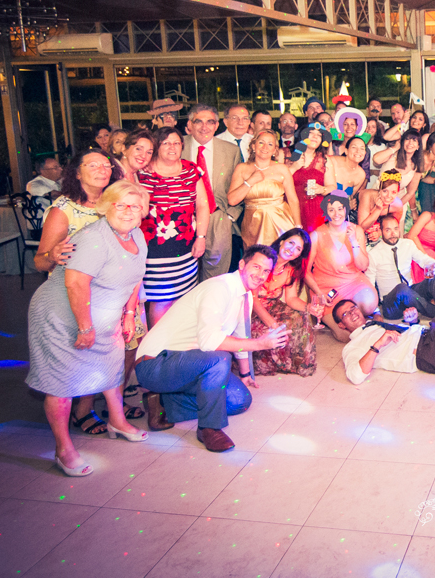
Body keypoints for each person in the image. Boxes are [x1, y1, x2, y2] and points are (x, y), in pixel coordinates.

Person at [26, 180, 152, 476]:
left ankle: (117, 421)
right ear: (106, 207)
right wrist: (85, 327)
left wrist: (129, 313)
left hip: (105, 314)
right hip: (64, 315)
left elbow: (135, 276)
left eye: (134, 205)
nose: (128, 211)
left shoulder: (137, 235)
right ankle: (63, 449)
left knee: (110, 366)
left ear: (144, 211)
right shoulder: (95, 238)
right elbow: (75, 283)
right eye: (120, 204)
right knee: (62, 382)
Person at [135, 245, 288, 452]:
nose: (260, 275)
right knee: (219, 358)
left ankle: (163, 404)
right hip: (154, 364)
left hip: (189, 363)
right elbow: (209, 342)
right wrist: (261, 343)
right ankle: (209, 428)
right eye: (256, 267)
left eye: (265, 271)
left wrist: (245, 374)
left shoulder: (246, 295)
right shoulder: (219, 288)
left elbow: (241, 333)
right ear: (242, 264)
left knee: (240, 400)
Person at [139, 127, 209, 326]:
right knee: (160, 300)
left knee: (183, 296)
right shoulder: (143, 172)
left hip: (186, 245)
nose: (172, 147)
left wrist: (201, 237)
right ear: (157, 146)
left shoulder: (191, 169)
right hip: (154, 246)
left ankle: (177, 344)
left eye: (176, 143)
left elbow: (202, 205)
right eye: (166, 143)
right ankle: (158, 347)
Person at [248, 229, 320, 377]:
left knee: (301, 317)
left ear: (300, 254)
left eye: (298, 248)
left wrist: (309, 308)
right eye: (291, 243)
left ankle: (296, 364)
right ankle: (263, 364)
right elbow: (254, 300)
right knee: (272, 331)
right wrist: (273, 324)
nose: (292, 249)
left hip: (272, 307)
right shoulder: (264, 259)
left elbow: (291, 299)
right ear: (282, 241)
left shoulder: (290, 270)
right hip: (249, 309)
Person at [184, 104, 243, 280]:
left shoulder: (230, 150)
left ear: (217, 125)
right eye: (198, 122)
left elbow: (236, 185)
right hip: (185, 221)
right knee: (184, 277)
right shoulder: (176, 146)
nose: (204, 127)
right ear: (190, 124)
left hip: (219, 219)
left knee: (216, 279)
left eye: (210, 122)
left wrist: (230, 216)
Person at [310, 190, 378, 336]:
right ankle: (359, 321)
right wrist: (318, 292)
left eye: (340, 209)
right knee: (343, 335)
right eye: (331, 210)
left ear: (346, 209)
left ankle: (363, 316)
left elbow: (363, 266)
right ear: (326, 212)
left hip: (353, 281)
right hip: (327, 289)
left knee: (369, 303)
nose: (336, 214)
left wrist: (353, 241)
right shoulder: (316, 235)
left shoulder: (356, 230)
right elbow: (306, 272)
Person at [227, 131, 301, 248]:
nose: (265, 147)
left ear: (274, 150)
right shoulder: (242, 168)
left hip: (281, 223)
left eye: (270, 144)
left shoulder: (282, 168)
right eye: (261, 143)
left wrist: (298, 228)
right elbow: (232, 200)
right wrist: (250, 181)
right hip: (253, 226)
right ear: (253, 146)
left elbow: (293, 200)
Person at [366, 214, 435, 319]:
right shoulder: (373, 254)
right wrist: (375, 312)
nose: (393, 233)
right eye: (388, 230)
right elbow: (370, 285)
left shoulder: (407, 244)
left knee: (433, 280)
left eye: (395, 229)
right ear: (381, 231)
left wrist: (431, 264)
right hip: (391, 303)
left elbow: (423, 259)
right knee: (401, 288)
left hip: (411, 294)